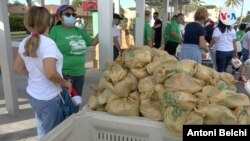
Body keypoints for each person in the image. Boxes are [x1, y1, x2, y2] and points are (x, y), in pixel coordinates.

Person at [13, 6, 72, 139]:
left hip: (34, 94)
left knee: (42, 128)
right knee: (53, 134)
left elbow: (17, 68)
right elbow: (50, 73)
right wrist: (65, 83)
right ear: (48, 22)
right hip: (49, 98)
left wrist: (35, 73)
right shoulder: (48, 44)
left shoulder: (25, 42)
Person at [49, 5, 98, 111]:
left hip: (80, 73)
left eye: (73, 14)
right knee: (64, 103)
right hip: (64, 74)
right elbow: (48, 50)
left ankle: (73, 120)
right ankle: (65, 123)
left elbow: (92, 42)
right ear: (59, 17)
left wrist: (104, 29)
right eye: (67, 14)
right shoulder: (55, 30)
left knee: (76, 101)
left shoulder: (79, 30)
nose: (72, 16)